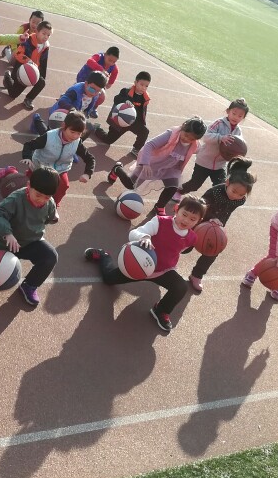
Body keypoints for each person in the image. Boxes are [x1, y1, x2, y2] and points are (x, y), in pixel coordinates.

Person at [84, 194, 207, 332]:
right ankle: (103, 255)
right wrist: (145, 236)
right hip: (140, 265)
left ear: (199, 221)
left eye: (192, 219)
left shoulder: (192, 238)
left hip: (163, 270)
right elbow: (133, 233)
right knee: (108, 279)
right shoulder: (160, 221)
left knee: (181, 287)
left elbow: (178, 250)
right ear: (177, 209)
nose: (186, 220)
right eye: (184, 214)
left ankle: (160, 310)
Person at [0, 167, 61, 307]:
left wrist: (53, 217)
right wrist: (8, 233)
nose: (42, 200)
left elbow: (48, 217)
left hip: (29, 242)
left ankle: (29, 285)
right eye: (38, 195)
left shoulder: (49, 203)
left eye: (47, 197)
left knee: (50, 256)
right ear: (28, 186)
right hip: (4, 243)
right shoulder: (16, 199)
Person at [106, 117, 208, 219]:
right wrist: (145, 163)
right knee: (131, 185)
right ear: (183, 127)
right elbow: (149, 145)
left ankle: (159, 206)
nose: (187, 139)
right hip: (152, 163)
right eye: (186, 135)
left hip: (170, 169)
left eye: (192, 139)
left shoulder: (195, 145)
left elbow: (200, 150)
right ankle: (117, 169)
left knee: (173, 186)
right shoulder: (170, 134)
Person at [188, 157, 257, 293]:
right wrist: (211, 218)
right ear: (227, 182)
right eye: (234, 191)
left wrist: (218, 224)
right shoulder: (214, 192)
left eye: (241, 194)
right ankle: (166, 260)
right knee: (184, 244)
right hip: (199, 221)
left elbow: (227, 211)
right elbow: (201, 207)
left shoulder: (240, 200)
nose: (236, 196)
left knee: (213, 251)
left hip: (216, 227)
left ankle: (196, 275)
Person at [19, 110, 95, 223]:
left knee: (64, 185)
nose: (75, 136)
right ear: (64, 126)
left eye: (79, 133)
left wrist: (87, 173)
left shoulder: (77, 142)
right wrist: (27, 157)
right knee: (30, 185)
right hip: (40, 166)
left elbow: (90, 158)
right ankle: (23, 197)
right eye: (72, 132)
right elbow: (29, 145)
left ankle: (53, 206)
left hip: (60, 169)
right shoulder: (49, 136)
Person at [180, 98, 249, 196]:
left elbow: (238, 148)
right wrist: (221, 138)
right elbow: (205, 136)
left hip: (220, 165)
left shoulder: (238, 131)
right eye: (234, 113)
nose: (236, 117)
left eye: (240, 116)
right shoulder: (219, 123)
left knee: (221, 187)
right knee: (195, 185)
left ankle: (211, 202)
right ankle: (177, 191)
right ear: (228, 111)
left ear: (243, 118)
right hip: (204, 161)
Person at [94, 71, 151, 155]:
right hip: (120, 121)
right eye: (142, 84)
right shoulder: (125, 91)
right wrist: (125, 100)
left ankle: (136, 149)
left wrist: (141, 123)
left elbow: (141, 112)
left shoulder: (145, 97)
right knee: (108, 140)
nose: (144, 88)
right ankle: (97, 129)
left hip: (134, 122)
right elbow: (116, 99)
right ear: (135, 82)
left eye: (146, 86)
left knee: (144, 131)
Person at [35, 71, 108, 133]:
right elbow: (62, 101)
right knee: (51, 134)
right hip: (60, 114)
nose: (94, 93)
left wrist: (85, 116)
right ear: (86, 84)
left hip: (75, 117)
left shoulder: (95, 94)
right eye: (92, 89)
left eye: (98, 91)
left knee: (87, 129)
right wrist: (72, 109)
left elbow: (87, 110)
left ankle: (77, 143)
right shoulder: (75, 91)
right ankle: (37, 121)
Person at [3, 20, 52, 110]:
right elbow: (18, 54)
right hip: (22, 70)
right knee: (12, 95)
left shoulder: (46, 47)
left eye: (48, 35)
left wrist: (42, 76)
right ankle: (7, 78)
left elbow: (44, 62)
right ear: (37, 31)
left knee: (42, 82)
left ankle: (29, 99)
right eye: (44, 33)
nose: (46, 37)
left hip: (33, 71)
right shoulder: (28, 40)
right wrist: (28, 61)